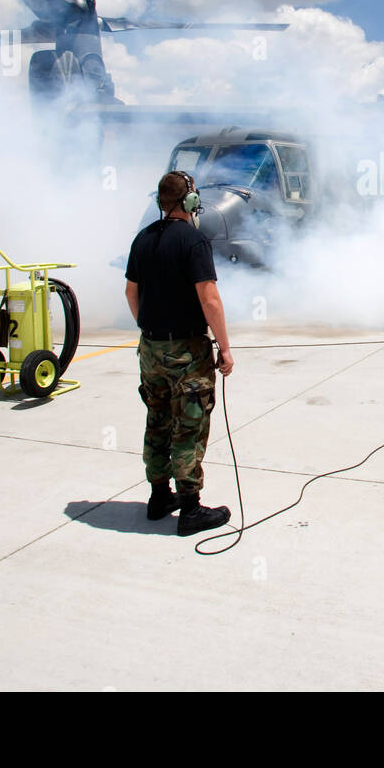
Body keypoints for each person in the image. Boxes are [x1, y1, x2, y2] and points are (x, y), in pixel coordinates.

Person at [124, 171, 234, 536]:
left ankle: (159, 497)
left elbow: (130, 293)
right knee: (189, 426)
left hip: (150, 349)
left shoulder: (142, 240)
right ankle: (190, 510)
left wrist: (150, 328)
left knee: (157, 421)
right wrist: (225, 348)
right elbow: (209, 299)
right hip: (186, 352)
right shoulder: (194, 241)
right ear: (189, 201)